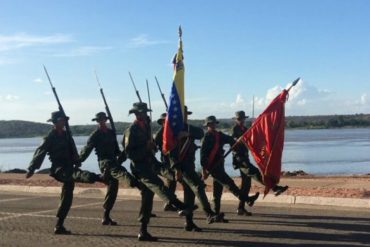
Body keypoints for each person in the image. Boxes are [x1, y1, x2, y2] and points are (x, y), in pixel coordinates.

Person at [26, 111, 104, 234]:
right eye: (61, 120)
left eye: (64, 120)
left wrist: (77, 160)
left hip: (69, 166)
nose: (63, 122)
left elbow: (72, 148)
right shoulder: (50, 137)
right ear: (55, 122)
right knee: (77, 174)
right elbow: (40, 152)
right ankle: (98, 177)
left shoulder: (67, 135)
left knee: (67, 197)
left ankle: (59, 225)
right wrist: (32, 168)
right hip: (59, 169)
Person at [123, 102, 191, 241]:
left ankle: (143, 231)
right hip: (139, 166)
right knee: (158, 184)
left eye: (145, 112)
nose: (145, 114)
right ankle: (177, 204)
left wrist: (152, 147)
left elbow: (152, 148)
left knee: (148, 197)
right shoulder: (132, 130)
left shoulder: (146, 127)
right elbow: (129, 154)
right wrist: (146, 148)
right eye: (142, 112)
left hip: (150, 163)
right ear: (136, 114)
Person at [79, 112, 141, 225]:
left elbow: (116, 150)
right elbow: (87, 149)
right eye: (99, 120)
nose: (102, 121)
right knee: (119, 173)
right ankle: (132, 182)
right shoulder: (95, 134)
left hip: (113, 160)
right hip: (104, 162)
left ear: (105, 120)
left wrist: (125, 153)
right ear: (97, 121)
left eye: (103, 119)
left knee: (113, 187)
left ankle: (106, 216)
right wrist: (78, 161)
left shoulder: (111, 133)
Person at [168, 106, 224, 232]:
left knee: (190, 195)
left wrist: (187, 134)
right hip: (181, 167)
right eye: (183, 114)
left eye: (186, 114)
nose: (185, 116)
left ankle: (189, 223)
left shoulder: (189, 128)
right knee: (198, 186)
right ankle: (209, 213)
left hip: (190, 166)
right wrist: (177, 170)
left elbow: (200, 133)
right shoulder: (173, 130)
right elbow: (170, 151)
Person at [232, 110, 288, 216]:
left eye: (242, 118)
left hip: (245, 157)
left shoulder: (246, 129)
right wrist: (238, 139)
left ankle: (240, 208)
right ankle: (274, 187)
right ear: (236, 120)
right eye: (239, 119)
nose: (241, 121)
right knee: (255, 172)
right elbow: (233, 141)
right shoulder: (235, 129)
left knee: (246, 185)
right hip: (239, 160)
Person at [201, 115, 259, 215]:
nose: (213, 125)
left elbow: (231, 140)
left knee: (218, 190)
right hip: (212, 167)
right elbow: (202, 156)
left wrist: (239, 140)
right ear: (208, 125)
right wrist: (204, 171)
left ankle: (216, 212)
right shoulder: (206, 137)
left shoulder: (219, 135)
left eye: (214, 123)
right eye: (211, 123)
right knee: (230, 184)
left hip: (220, 165)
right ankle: (247, 199)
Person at [154, 113, 177, 212]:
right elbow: (157, 145)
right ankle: (168, 202)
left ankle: (169, 203)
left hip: (172, 159)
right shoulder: (160, 133)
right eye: (164, 121)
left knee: (172, 183)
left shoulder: (171, 131)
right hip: (166, 160)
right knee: (171, 181)